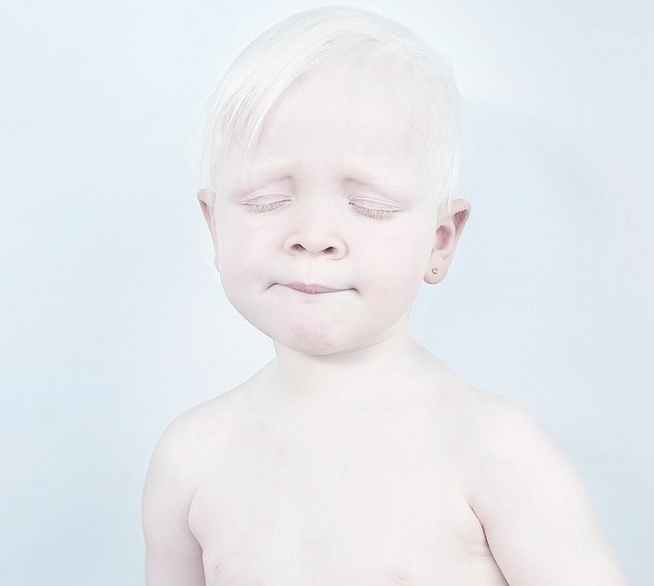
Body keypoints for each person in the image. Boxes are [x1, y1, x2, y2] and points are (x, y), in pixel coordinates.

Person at [142, 7, 626, 585]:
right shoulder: (191, 459)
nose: (313, 236)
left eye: (369, 206)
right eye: (267, 200)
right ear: (215, 227)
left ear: (439, 241)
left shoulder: (491, 450)